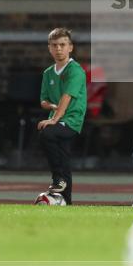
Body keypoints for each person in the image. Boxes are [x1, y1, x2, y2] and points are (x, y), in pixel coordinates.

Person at [37, 28, 87, 206]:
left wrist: (54, 119)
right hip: (58, 117)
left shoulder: (76, 71)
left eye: (63, 45)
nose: (59, 49)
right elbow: (44, 100)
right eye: (55, 45)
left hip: (72, 120)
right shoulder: (48, 73)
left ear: (70, 48)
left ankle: (58, 179)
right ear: (49, 48)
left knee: (48, 133)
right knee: (64, 156)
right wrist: (51, 107)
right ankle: (67, 199)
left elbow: (66, 97)